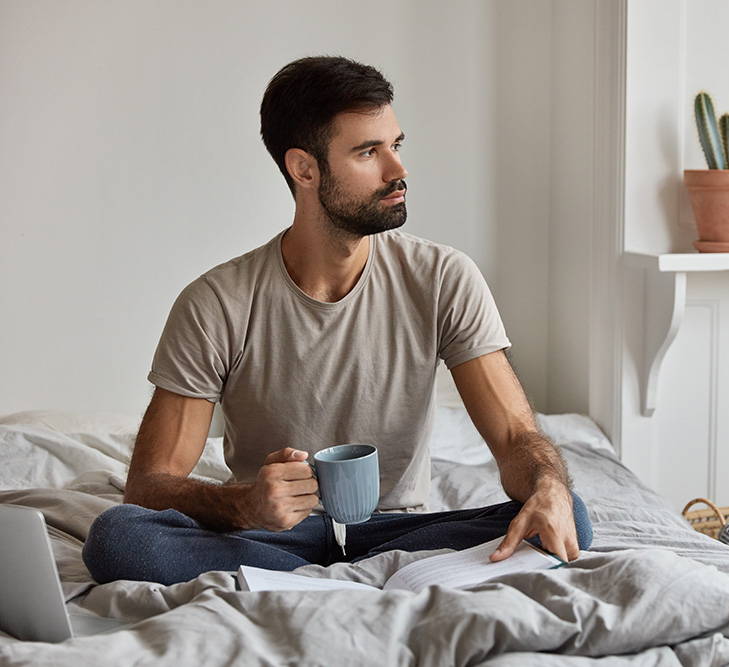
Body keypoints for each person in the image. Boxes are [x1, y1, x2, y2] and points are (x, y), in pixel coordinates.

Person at [82, 55, 592, 586]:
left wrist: (547, 485)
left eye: (395, 146)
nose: (398, 171)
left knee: (567, 513)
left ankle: (308, 580)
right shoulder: (217, 302)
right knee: (120, 538)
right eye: (369, 152)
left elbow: (514, 437)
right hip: (272, 533)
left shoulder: (443, 277)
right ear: (304, 169)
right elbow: (148, 485)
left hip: (397, 533)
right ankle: (343, 578)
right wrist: (245, 506)